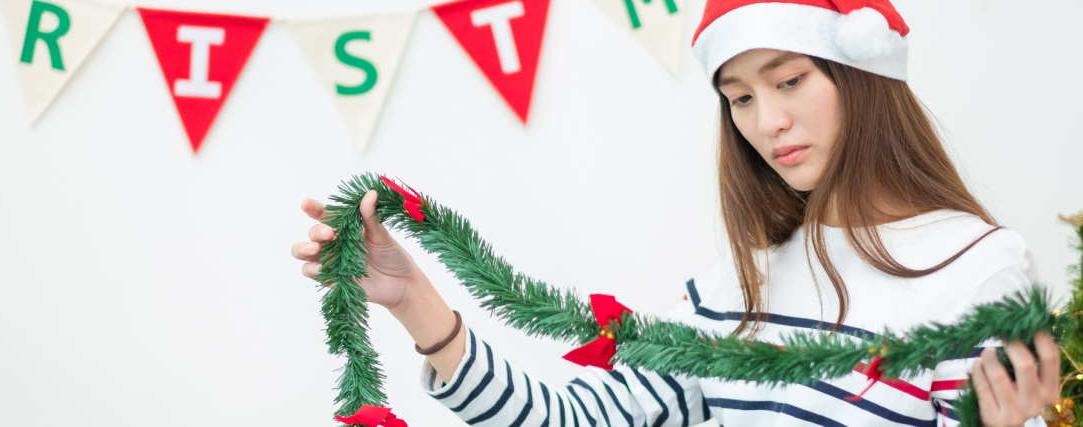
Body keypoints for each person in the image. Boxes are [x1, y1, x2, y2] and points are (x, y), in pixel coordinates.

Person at [291, 0, 1061, 425]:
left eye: (789, 80)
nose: (767, 123)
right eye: (741, 99)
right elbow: (570, 420)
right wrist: (414, 301)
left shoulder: (977, 266)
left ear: (859, 72)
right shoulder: (742, 284)